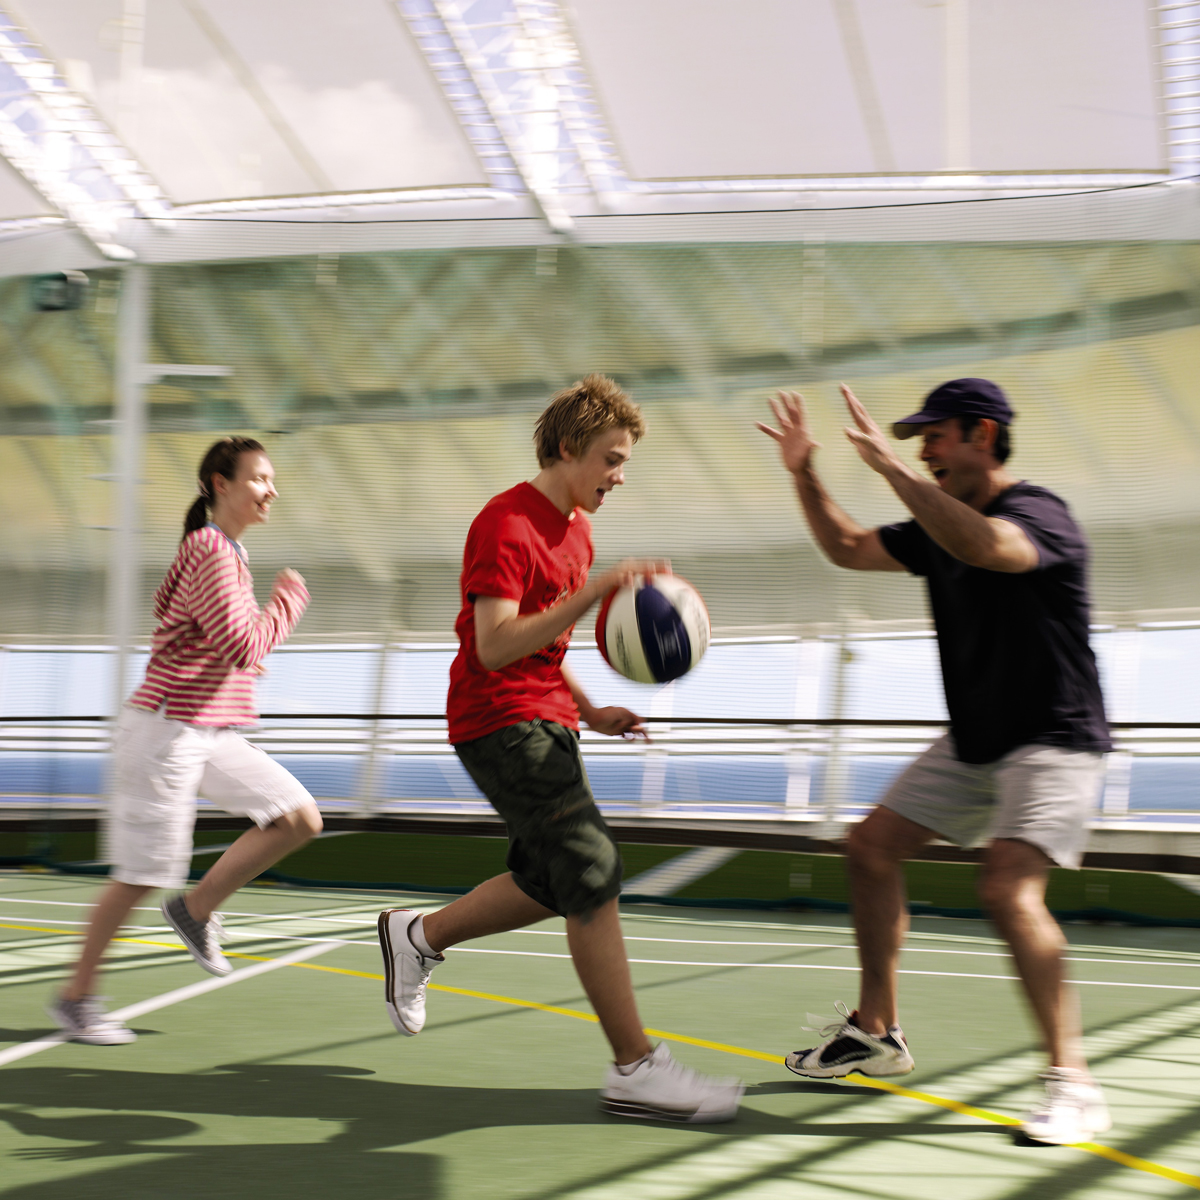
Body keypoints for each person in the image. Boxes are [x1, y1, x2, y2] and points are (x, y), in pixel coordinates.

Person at [377, 374, 743, 1123]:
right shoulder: (506, 523)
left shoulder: (577, 533)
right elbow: (495, 644)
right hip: (496, 720)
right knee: (591, 867)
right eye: (612, 459)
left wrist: (591, 709)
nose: (619, 477)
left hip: (549, 720)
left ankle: (418, 936)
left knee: (551, 882)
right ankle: (635, 1068)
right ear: (570, 447)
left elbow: (544, 645)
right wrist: (596, 592)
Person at [758, 378, 1112, 1146]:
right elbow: (847, 547)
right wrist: (804, 471)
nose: (924, 451)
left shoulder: (1039, 513)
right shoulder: (933, 525)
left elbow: (988, 548)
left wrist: (889, 469)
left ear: (983, 434)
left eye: (935, 436)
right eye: (916, 443)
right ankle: (876, 1032)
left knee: (1008, 887)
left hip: (1052, 734)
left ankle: (1074, 1084)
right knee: (869, 848)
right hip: (976, 737)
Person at [49, 436, 323, 1045]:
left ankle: (194, 910)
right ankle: (75, 999)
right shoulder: (210, 549)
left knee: (298, 818)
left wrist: (243, 643)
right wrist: (287, 603)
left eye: (271, 479)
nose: (271, 490)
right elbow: (242, 645)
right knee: (141, 873)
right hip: (166, 730)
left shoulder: (225, 551)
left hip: (208, 728)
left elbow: (214, 638)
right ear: (220, 484)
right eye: (259, 478)